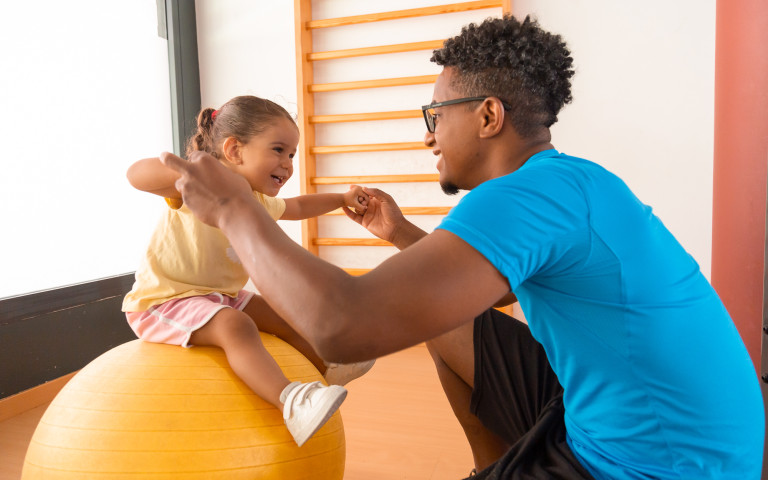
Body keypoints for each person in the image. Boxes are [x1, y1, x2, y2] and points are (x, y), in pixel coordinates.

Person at [159, 15, 764, 480]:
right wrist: (397, 233)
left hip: (656, 465)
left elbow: (343, 328)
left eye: (435, 114)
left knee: (399, 315)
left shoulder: (522, 197)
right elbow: (477, 297)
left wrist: (234, 209)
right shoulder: (567, 181)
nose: (429, 137)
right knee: (447, 321)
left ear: (488, 115)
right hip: (675, 429)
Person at [122, 95, 375, 447]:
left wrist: (341, 199)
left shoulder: (255, 200)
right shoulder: (198, 186)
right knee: (235, 325)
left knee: (285, 315)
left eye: (292, 155)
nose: (288, 164)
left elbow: (297, 206)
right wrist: (183, 171)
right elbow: (136, 175)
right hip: (163, 301)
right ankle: (290, 402)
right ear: (234, 150)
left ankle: (327, 368)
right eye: (278, 150)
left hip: (218, 296)